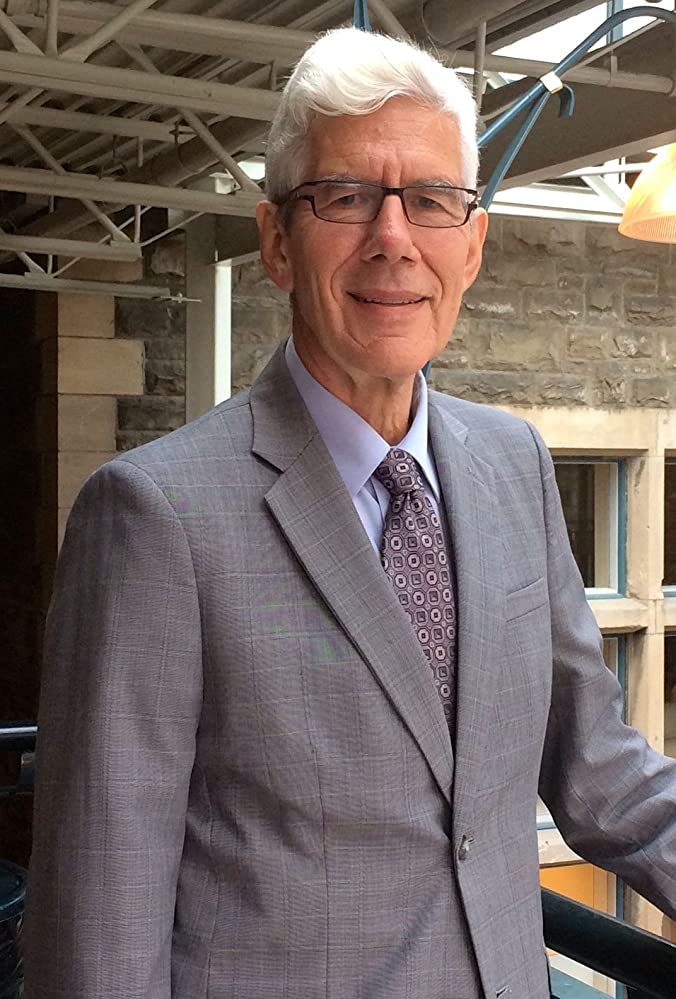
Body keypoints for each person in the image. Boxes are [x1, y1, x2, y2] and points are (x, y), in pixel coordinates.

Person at [23, 27, 676, 999]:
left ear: (472, 245)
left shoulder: (515, 465)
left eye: (432, 199)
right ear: (276, 241)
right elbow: (99, 929)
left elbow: (600, 770)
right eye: (346, 195)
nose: (394, 237)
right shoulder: (155, 518)